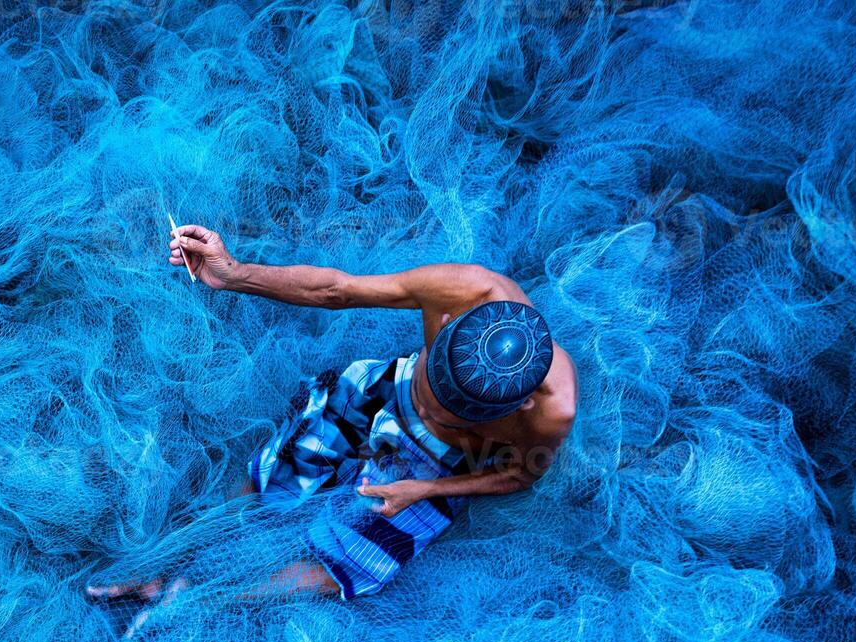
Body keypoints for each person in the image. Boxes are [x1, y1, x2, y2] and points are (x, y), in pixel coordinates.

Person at [88, 224, 578, 613]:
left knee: (352, 561)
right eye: (438, 386)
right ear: (447, 323)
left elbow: (517, 475)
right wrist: (233, 272)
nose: (437, 410)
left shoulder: (552, 411)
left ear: (523, 404)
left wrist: (424, 491)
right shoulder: (464, 288)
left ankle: (195, 598)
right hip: (387, 391)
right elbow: (335, 290)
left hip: (440, 465)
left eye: (457, 412)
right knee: (272, 474)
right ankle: (165, 563)